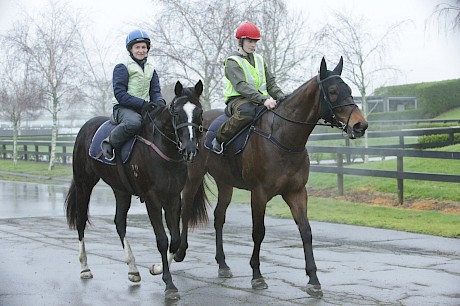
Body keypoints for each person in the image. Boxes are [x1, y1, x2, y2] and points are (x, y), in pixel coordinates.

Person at [212, 21, 285, 153]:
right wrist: (264, 99)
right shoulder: (232, 62)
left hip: (258, 99)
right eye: (250, 41)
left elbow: (271, 83)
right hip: (238, 100)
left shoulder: (259, 59)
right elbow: (241, 86)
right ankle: (219, 138)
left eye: (255, 42)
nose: (253, 45)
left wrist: (282, 98)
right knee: (247, 112)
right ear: (241, 41)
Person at [101, 29, 166, 160]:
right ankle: (110, 142)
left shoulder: (151, 69)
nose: (141, 50)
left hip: (144, 107)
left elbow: (155, 91)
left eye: (144, 47)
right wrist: (142, 104)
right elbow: (120, 94)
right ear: (130, 49)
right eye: (137, 47)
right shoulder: (122, 67)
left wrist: (159, 103)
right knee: (134, 123)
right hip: (123, 108)